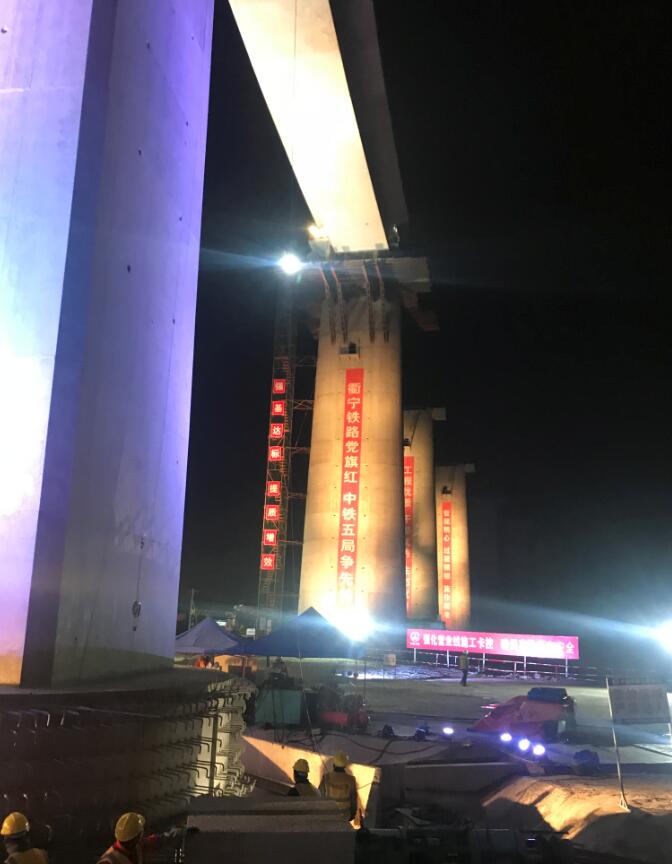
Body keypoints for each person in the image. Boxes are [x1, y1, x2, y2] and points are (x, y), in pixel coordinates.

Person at [96, 812, 193, 864]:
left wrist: (174, 834)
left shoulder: (136, 847)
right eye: (140, 832)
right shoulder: (108, 861)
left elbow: (156, 841)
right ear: (136, 837)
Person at [320, 751, 357, 822]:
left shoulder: (326, 778)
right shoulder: (351, 779)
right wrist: (352, 815)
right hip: (345, 817)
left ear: (333, 764)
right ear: (345, 765)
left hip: (329, 816)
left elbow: (320, 798)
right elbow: (353, 801)